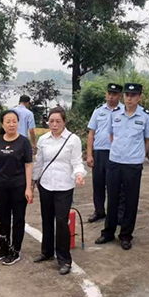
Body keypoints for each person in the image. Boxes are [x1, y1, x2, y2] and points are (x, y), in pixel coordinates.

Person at [95, 83, 149, 250]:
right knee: (112, 198)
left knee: (130, 200)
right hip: (114, 161)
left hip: (133, 164)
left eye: (133, 95)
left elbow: (148, 139)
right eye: (127, 95)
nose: (129, 98)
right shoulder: (116, 114)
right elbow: (112, 135)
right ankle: (108, 232)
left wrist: (139, 154)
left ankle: (126, 235)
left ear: (139, 97)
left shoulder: (145, 116)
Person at [32, 106, 86, 275]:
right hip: (46, 184)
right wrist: (33, 181)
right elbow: (39, 162)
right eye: (51, 121)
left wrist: (79, 174)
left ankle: (64, 259)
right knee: (46, 219)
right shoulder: (43, 139)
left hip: (64, 186)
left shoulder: (73, 140)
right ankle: (46, 252)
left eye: (58, 121)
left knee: (62, 222)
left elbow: (77, 162)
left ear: (64, 122)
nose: (54, 125)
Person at [0, 110, 34, 265]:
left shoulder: (23, 142)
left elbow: (28, 165)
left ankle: (15, 251)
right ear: (2, 124)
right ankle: (3, 249)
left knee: (18, 220)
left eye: (14, 121)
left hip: (18, 186)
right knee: (4, 220)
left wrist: (28, 188)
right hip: (0, 186)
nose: (11, 124)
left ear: (18, 123)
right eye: (8, 121)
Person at [86, 83, 124, 223]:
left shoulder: (124, 111)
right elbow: (91, 134)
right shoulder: (98, 111)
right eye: (109, 93)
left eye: (114, 94)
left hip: (116, 154)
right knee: (98, 184)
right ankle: (99, 211)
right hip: (99, 153)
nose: (110, 96)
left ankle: (117, 214)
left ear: (119, 96)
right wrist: (89, 154)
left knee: (115, 186)